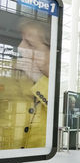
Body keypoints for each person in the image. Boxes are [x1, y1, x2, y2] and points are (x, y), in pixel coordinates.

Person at [0, 18, 50, 149]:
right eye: (22, 40)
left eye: (30, 44)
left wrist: (38, 78)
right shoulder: (9, 72)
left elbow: (57, 109)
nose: (20, 48)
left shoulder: (55, 83)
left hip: (38, 161)